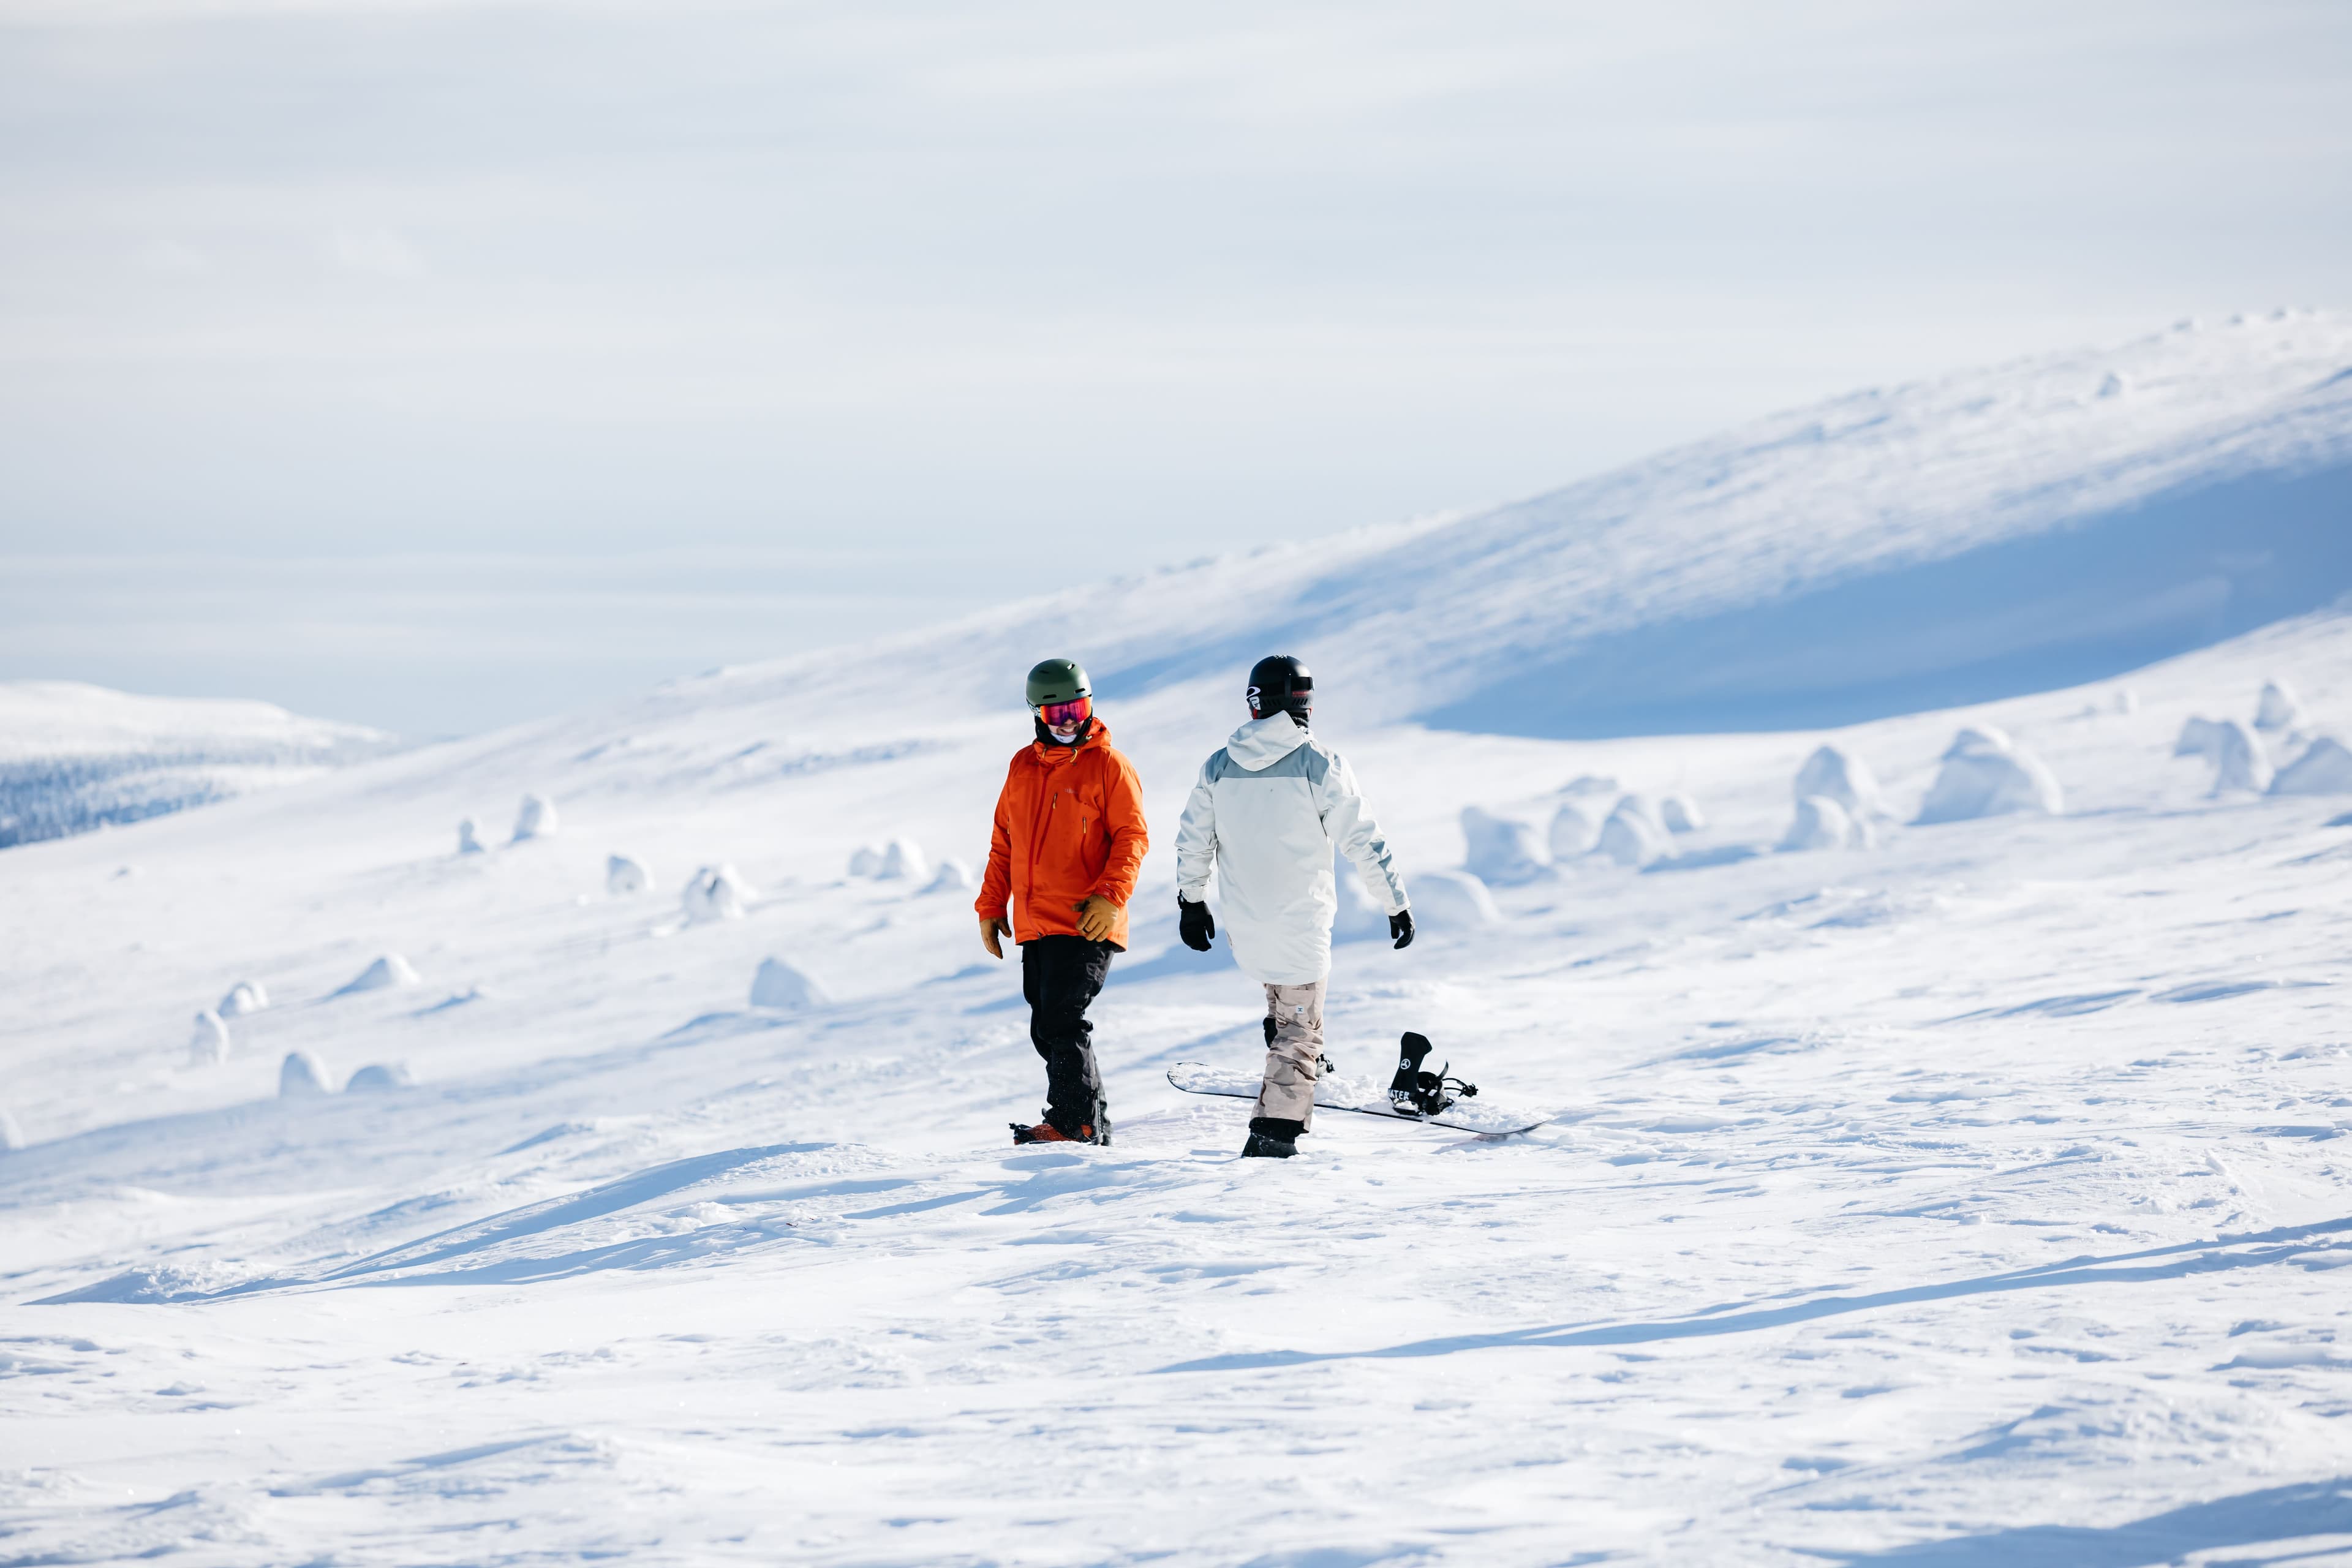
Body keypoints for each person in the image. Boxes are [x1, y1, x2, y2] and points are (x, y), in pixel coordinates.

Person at [1174, 655, 1412, 1159]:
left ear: (1256, 703)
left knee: (1285, 1005)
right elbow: (1364, 841)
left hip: (1246, 922)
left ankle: (1296, 1067)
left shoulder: (1219, 765)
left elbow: (1194, 840)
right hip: (1301, 921)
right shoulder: (1318, 762)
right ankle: (1275, 1130)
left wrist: (1192, 902)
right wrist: (1395, 902)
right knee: (1303, 1027)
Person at [976, 657, 1149, 1147]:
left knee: (1062, 1019)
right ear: (1037, 713)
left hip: (1087, 919)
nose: (1069, 722)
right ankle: (1092, 1122)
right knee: (1045, 1028)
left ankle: (1074, 1124)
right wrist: (991, 906)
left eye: (1077, 709)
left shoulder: (1109, 765)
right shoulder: (1022, 766)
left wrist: (1110, 898)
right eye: (1057, 714)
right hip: (1037, 922)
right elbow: (1004, 842)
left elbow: (1132, 838)